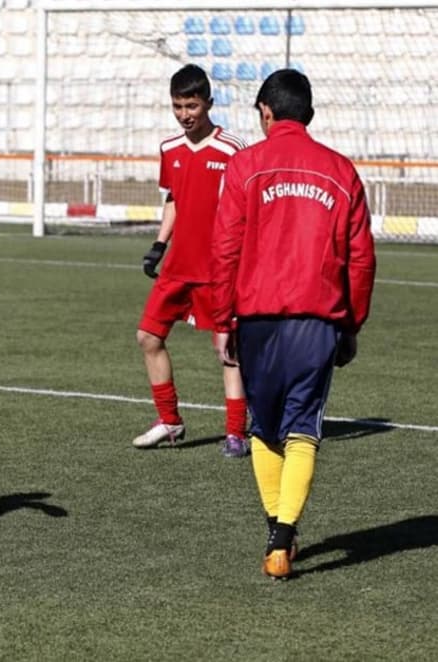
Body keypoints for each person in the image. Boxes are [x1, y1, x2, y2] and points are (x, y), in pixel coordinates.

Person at [210, 69, 376, 579]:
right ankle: (282, 539)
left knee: (264, 428)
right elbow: (362, 259)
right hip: (316, 321)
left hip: (257, 319)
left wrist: (222, 319)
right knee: (303, 427)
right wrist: (351, 323)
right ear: (309, 114)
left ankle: (278, 531)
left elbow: (225, 248)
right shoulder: (340, 170)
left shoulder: (245, 166)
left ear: (265, 112)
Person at [133, 64, 250, 457]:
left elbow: (243, 210)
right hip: (178, 267)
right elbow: (174, 200)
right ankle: (169, 421)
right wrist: (158, 244)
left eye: (192, 105)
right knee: (148, 337)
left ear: (208, 104)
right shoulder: (170, 149)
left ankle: (236, 433)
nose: (184, 114)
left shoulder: (232, 149)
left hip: (217, 270)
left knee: (227, 351)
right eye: (178, 106)